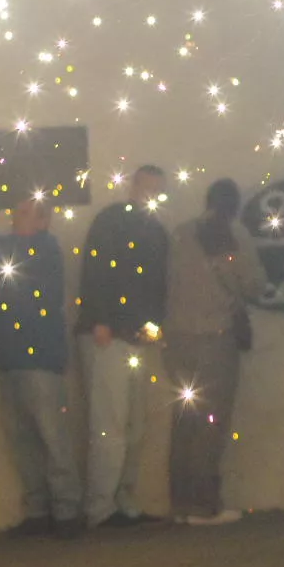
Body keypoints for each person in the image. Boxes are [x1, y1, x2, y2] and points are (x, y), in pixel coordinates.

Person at [0, 196, 83, 540]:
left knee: (51, 435)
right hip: (9, 357)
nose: (15, 217)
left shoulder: (44, 251)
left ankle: (66, 510)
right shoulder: (11, 251)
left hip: (38, 356)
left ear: (43, 222)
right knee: (22, 437)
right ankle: (39, 509)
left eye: (24, 213)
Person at [164, 178, 266, 525]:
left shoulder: (179, 234)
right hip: (215, 339)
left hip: (176, 341)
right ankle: (205, 505)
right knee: (212, 423)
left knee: (184, 420)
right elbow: (254, 285)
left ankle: (179, 503)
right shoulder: (234, 236)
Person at [74, 164, 170, 527]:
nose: (150, 195)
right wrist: (100, 320)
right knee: (111, 424)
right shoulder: (112, 221)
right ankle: (101, 506)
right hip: (110, 336)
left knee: (133, 426)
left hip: (132, 336)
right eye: (147, 187)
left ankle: (119, 499)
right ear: (134, 186)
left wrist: (154, 327)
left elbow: (156, 284)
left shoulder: (152, 229)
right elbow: (96, 269)